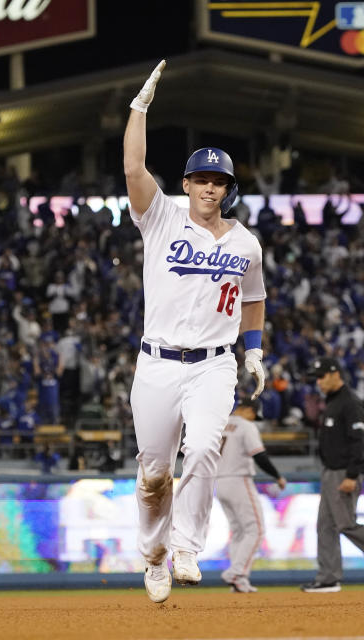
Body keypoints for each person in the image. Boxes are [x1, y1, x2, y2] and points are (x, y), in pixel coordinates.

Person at [124, 59, 267, 604]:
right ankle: (153, 554)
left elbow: (254, 299)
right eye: (202, 178)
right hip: (157, 363)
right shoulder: (161, 217)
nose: (210, 187)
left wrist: (252, 353)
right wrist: (139, 109)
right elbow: (135, 167)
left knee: (206, 446)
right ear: (186, 183)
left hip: (213, 363)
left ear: (228, 188)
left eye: (219, 180)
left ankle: (186, 546)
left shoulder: (246, 243)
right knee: (154, 475)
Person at [301, 357, 364, 593]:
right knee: (325, 526)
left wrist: (353, 474)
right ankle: (328, 577)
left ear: (335, 374)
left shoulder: (349, 403)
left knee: (346, 524)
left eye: (321, 376)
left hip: (343, 473)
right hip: (330, 473)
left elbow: (359, 441)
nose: (318, 382)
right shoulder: (333, 402)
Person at [216, 398, 286, 593]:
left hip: (219, 481)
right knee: (256, 530)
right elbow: (259, 455)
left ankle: (240, 581)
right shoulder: (246, 426)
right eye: (254, 414)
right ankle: (236, 572)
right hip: (239, 479)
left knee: (238, 531)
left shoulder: (220, 424)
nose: (255, 418)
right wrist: (277, 476)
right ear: (247, 410)